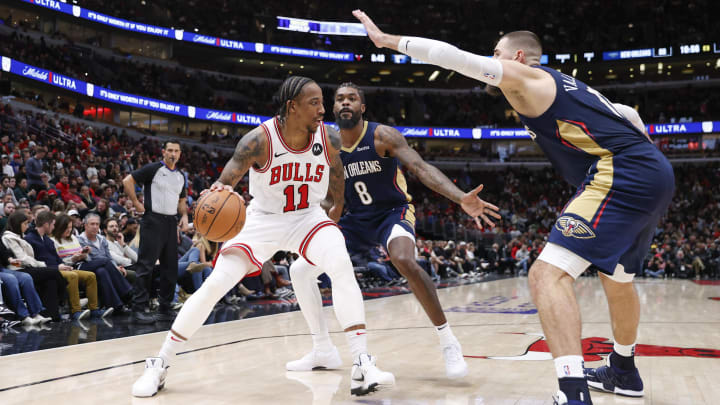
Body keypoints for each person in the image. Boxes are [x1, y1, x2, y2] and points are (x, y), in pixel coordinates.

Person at [353, 10, 674, 404]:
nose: (492, 59)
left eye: (497, 53)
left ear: (517, 58)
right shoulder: (561, 83)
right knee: (618, 279)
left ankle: (573, 395)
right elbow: (627, 114)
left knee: (545, 276)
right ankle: (623, 371)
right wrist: (642, 156)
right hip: (650, 171)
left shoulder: (526, 78)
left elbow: (455, 57)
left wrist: (388, 41)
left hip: (621, 173)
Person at [133, 76, 394, 398]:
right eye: (315, 103)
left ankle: (361, 362)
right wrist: (218, 192)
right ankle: (160, 362)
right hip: (262, 220)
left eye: (322, 103)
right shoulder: (259, 141)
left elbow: (336, 171)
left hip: (307, 217)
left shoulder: (329, 137)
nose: (322, 110)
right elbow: (226, 182)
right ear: (292, 107)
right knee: (216, 282)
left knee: (340, 261)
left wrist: (334, 207)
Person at [287, 82, 499, 379]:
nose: (345, 103)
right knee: (299, 270)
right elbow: (333, 198)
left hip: (392, 213)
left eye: (352, 99)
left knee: (403, 259)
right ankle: (322, 349)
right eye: (339, 99)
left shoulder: (382, 135)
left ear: (362, 107)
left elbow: (421, 168)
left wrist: (459, 197)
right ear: (332, 108)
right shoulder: (327, 144)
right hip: (355, 220)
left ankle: (448, 341)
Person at [123, 140, 189, 324]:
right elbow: (127, 181)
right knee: (146, 266)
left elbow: (182, 200)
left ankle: (165, 308)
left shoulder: (181, 176)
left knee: (170, 268)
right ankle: (138, 309)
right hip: (152, 220)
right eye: (169, 150)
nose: (173, 154)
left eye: (176, 150)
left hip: (171, 222)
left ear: (180, 154)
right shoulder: (153, 169)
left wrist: (184, 216)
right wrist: (136, 203)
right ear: (163, 152)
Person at [1, 210, 65, 321]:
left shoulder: (20, 236)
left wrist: (9, 259)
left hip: (23, 267)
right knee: (53, 272)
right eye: (25, 223)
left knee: (50, 281)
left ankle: (41, 314)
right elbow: (22, 258)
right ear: (17, 224)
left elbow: (5, 254)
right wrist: (41, 264)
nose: (27, 226)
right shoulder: (9, 237)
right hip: (19, 268)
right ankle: (24, 315)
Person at [77, 213, 133, 312]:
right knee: (104, 261)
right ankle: (127, 293)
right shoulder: (80, 240)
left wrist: (115, 267)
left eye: (97, 224)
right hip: (86, 266)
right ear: (85, 225)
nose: (95, 227)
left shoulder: (102, 239)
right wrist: (107, 263)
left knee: (102, 271)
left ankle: (116, 305)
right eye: (92, 224)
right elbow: (88, 259)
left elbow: (109, 258)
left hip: (103, 267)